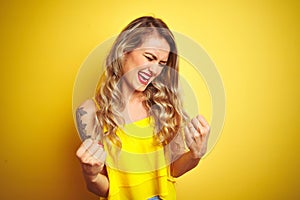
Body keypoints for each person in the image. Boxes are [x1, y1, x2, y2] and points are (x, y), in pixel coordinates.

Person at [75, 16, 210, 200]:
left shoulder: (165, 105)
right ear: (124, 51)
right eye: (149, 57)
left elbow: (174, 170)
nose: (155, 70)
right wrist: (90, 176)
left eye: (162, 63)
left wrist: (196, 154)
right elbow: (108, 188)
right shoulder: (90, 112)